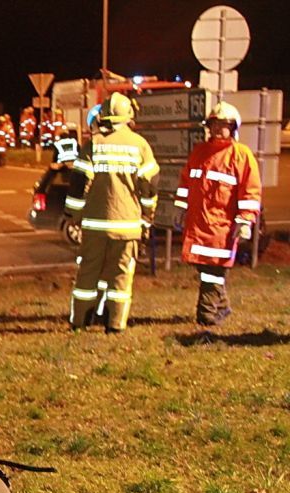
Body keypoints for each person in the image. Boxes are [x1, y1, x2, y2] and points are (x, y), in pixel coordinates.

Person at [64, 92, 159, 333]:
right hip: (127, 226)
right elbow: (149, 186)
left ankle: (80, 321)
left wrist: (73, 216)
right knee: (121, 276)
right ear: (129, 116)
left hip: (94, 226)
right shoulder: (140, 145)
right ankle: (115, 324)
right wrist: (147, 216)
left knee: (88, 274)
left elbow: (78, 184)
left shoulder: (94, 144)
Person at [174, 102, 262, 326]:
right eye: (214, 124)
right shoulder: (199, 152)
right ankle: (221, 306)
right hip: (198, 224)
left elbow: (250, 191)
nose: (217, 129)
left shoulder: (241, 155)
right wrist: (180, 209)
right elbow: (186, 183)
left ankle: (207, 314)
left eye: (223, 125)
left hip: (222, 226)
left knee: (213, 269)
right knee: (205, 267)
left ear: (233, 128)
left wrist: (245, 221)